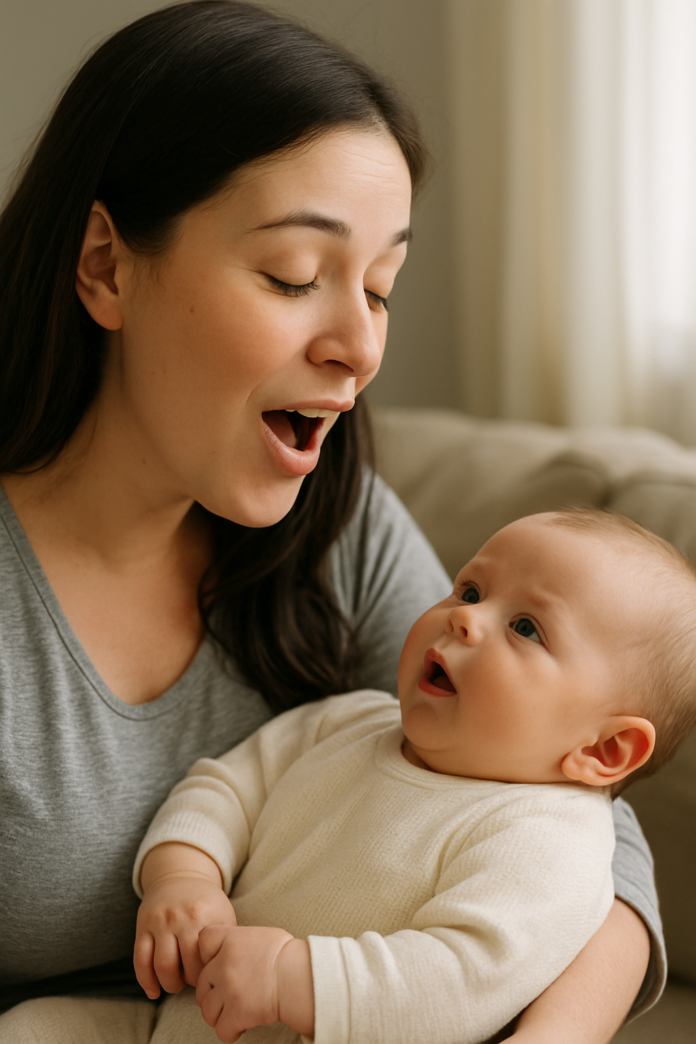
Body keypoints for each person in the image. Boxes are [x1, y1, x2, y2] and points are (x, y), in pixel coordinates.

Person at [0, 2, 663, 1041]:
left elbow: (574, 819)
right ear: (105, 265)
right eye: (294, 277)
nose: (358, 345)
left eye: (382, 287)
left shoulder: (335, 526)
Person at [131, 509, 696, 1044]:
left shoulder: (551, 841)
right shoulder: (348, 719)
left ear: (605, 748)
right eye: (470, 590)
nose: (465, 618)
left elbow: (462, 979)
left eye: (526, 627)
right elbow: (226, 786)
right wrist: (183, 876)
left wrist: (292, 978)